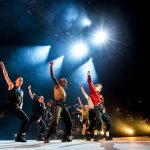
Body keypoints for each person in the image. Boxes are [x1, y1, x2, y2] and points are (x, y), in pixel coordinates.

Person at [0, 61, 29, 142]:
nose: (21, 81)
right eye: (19, 80)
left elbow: (21, 101)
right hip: (8, 106)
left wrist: (21, 109)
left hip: (16, 107)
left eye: (22, 80)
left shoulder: (22, 92)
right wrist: (3, 67)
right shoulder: (11, 85)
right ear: (16, 81)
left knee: (26, 120)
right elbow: (6, 76)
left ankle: (19, 137)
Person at [44, 62, 72, 143]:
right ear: (60, 81)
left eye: (66, 82)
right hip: (57, 104)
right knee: (55, 119)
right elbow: (52, 76)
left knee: (68, 121)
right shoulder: (57, 85)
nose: (65, 82)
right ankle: (47, 136)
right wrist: (51, 66)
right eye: (64, 81)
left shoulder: (64, 90)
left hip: (63, 105)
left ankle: (66, 136)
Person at [87, 71, 112, 141]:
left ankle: (107, 136)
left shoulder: (101, 96)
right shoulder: (93, 92)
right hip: (97, 108)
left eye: (96, 87)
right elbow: (89, 83)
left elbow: (102, 104)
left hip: (102, 109)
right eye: (94, 87)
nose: (94, 87)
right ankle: (96, 135)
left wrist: (104, 109)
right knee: (99, 121)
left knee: (109, 121)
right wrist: (89, 75)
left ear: (100, 89)